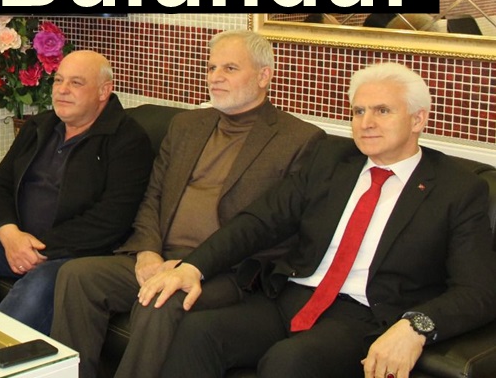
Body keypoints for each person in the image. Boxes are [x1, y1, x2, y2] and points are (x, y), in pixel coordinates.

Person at [141, 63, 496, 378]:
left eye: (382, 111)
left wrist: (415, 327)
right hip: (293, 296)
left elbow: (477, 291)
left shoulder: (457, 189)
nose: (366, 123)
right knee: (198, 332)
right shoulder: (330, 159)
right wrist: (194, 266)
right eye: (358, 111)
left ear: (418, 119)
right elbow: (260, 221)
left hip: (365, 316)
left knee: (289, 361)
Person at [49, 30, 324, 378]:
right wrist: (147, 251)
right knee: (77, 276)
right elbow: (152, 195)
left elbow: (277, 230)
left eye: (229, 68)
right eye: (211, 68)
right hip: (160, 257)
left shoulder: (298, 140)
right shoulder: (186, 125)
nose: (215, 77)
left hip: (225, 271)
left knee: (161, 299)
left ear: (263, 75)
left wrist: (193, 265)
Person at [0, 50, 154, 334]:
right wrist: (10, 235)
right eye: (58, 80)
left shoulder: (127, 140)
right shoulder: (40, 126)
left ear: (104, 91)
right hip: (20, 240)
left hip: (76, 254)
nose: (62, 90)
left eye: (76, 83)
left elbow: (112, 219)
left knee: (40, 282)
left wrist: (40, 248)